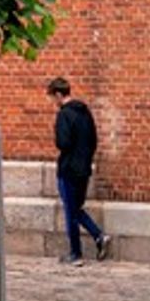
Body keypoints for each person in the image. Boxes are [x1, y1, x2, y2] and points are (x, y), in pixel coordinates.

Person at [49, 76, 109, 263]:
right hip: (84, 168)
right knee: (76, 209)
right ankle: (99, 236)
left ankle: (76, 254)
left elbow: (63, 143)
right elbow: (93, 141)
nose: (53, 102)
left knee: (71, 212)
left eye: (53, 97)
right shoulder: (85, 113)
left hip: (68, 169)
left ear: (59, 95)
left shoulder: (64, 114)